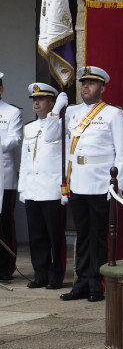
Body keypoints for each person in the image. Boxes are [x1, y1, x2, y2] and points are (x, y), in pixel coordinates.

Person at [44, 66, 123, 302]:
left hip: (101, 183)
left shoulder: (113, 114)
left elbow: (122, 152)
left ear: (102, 87)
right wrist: (56, 111)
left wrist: (116, 185)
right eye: (83, 83)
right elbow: (51, 137)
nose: (85, 87)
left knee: (98, 236)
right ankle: (80, 283)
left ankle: (96, 284)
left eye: (91, 84)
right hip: (78, 182)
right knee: (82, 235)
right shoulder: (71, 112)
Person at [19, 83, 67, 290]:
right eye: (34, 100)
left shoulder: (60, 124)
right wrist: (23, 188)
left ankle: (56, 275)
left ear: (51, 103)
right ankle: (41, 274)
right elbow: (25, 161)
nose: (36, 103)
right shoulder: (29, 128)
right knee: (36, 235)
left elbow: (55, 141)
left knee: (55, 236)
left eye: (41, 99)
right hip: (33, 189)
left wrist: (65, 188)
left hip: (52, 188)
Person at [0, 72, 22, 282]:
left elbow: (14, 139)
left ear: (1, 89)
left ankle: (6, 266)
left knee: (5, 222)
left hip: (4, 179)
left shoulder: (11, 112)